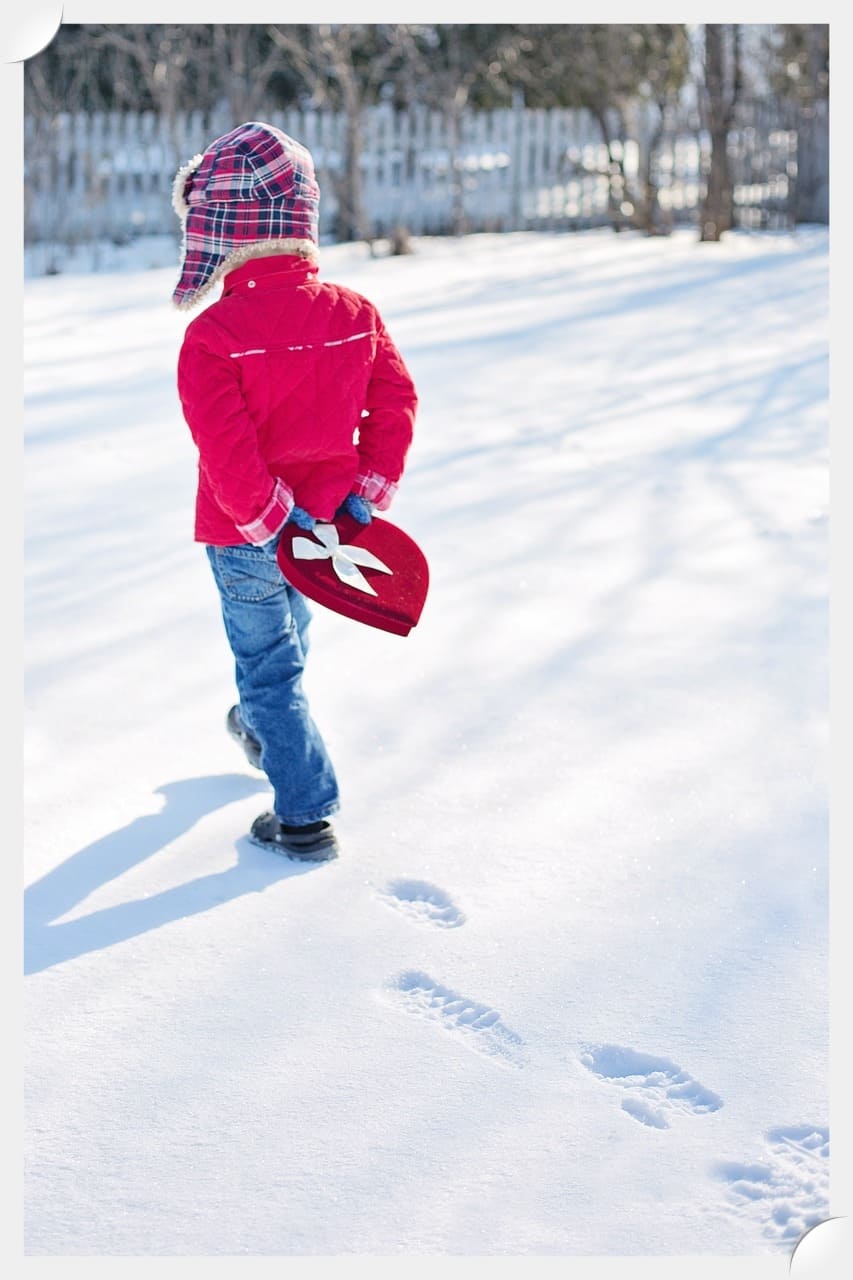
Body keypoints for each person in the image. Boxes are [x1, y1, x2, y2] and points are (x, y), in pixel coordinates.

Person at [171, 121, 418, 862]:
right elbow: (396, 402)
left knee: (268, 662)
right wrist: (364, 486)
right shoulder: (352, 313)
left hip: (246, 531)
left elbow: (226, 448)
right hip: (323, 527)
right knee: (286, 642)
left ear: (222, 231)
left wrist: (263, 517)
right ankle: (262, 724)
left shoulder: (213, 334)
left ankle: (303, 812)